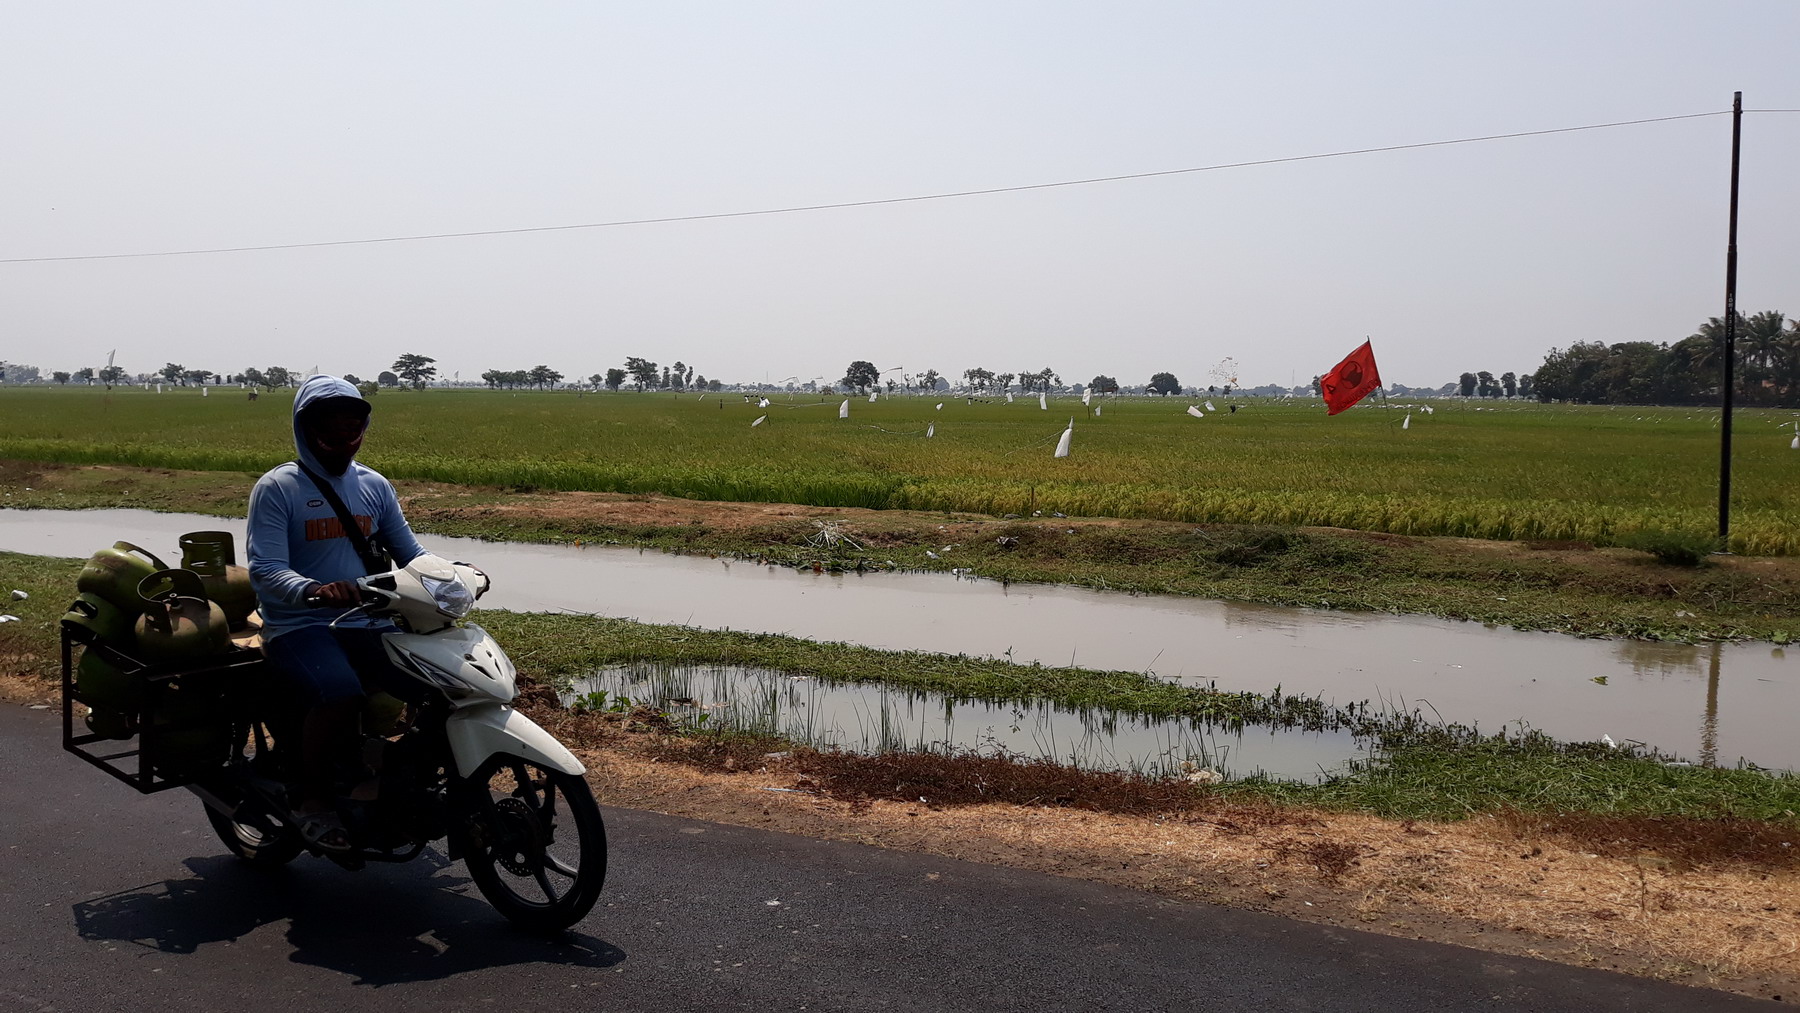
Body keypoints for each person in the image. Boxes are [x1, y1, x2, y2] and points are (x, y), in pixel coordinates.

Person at [247, 374, 428, 851]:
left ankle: (399, 785)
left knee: (437, 687)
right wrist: (311, 591)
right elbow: (264, 567)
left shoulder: (373, 485)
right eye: (331, 429)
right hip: (300, 624)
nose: (343, 440)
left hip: (369, 619)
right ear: (305, 429)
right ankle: (312, 799)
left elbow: (409, 551)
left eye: (353, 428)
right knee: (339, 692)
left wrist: (451, 573)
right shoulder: (278, 488)